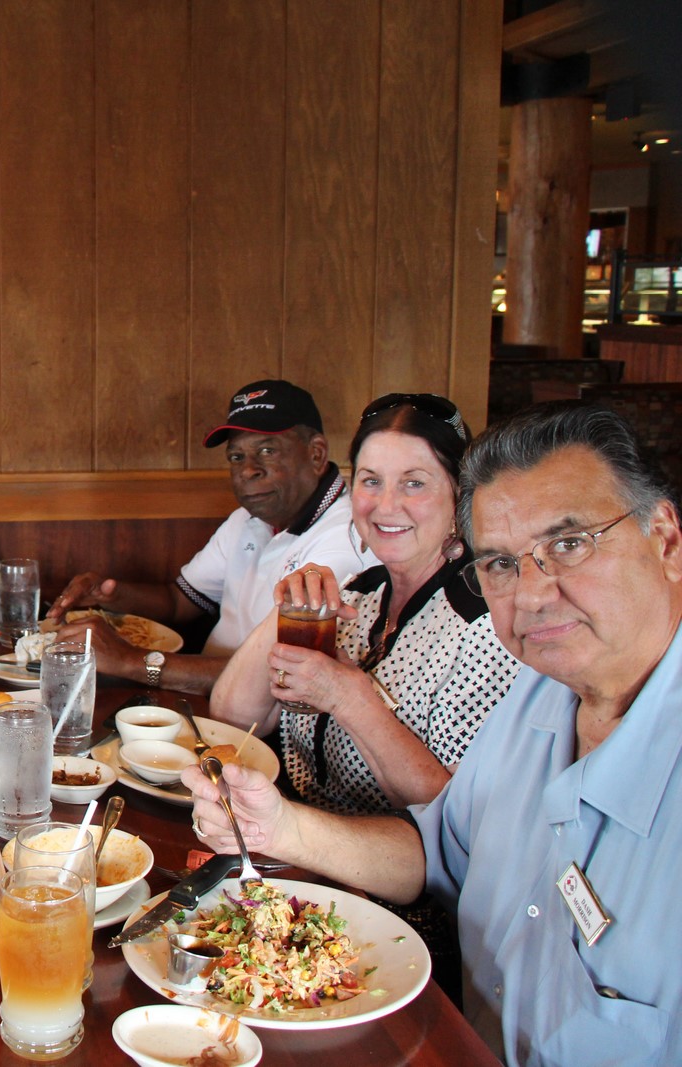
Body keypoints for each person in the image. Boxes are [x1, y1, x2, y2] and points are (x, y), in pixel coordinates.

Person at [184, 401, 682, 1066]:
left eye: (569, 542)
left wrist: (350, 696)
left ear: (666, 539)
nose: (531, 593)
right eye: (501, 561)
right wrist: (276, 826)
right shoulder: (538, 694)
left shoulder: (495, 647)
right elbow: (437, 849)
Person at [210, 393, 519, 813]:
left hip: (385, 870)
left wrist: (350, 699)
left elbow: (450, 815)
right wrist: (287, 606)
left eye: (414, 483)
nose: (386, 506)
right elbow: (233, 718)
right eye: (371, 481)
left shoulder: (488, 625)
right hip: (291, 834)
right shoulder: (360, 592)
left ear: (459, 497)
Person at [49, 379, 376, 693]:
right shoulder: (247, 520)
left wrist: (131, 662)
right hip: (201, 697)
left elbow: (281, 677)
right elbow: (179, 602)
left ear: (316, 454)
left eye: (267, 451)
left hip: (271, 731)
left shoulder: (345, 539)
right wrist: (109, 595)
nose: (248, 470)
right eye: (237, 457)